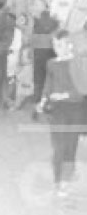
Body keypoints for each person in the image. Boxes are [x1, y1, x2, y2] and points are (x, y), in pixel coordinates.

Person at [36, 31, 86, 197]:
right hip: (58, 110)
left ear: (69, 44)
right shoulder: (51, 63)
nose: (57, 49)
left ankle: (65, 181)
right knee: (59, 146)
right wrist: (43, 100)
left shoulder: (77, 62)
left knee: (70, 147)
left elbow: (82, 91)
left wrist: (63, 95)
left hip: (75, 110)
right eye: (55, 45)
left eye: (60, 45)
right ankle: (58, 181)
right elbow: (48, 84)